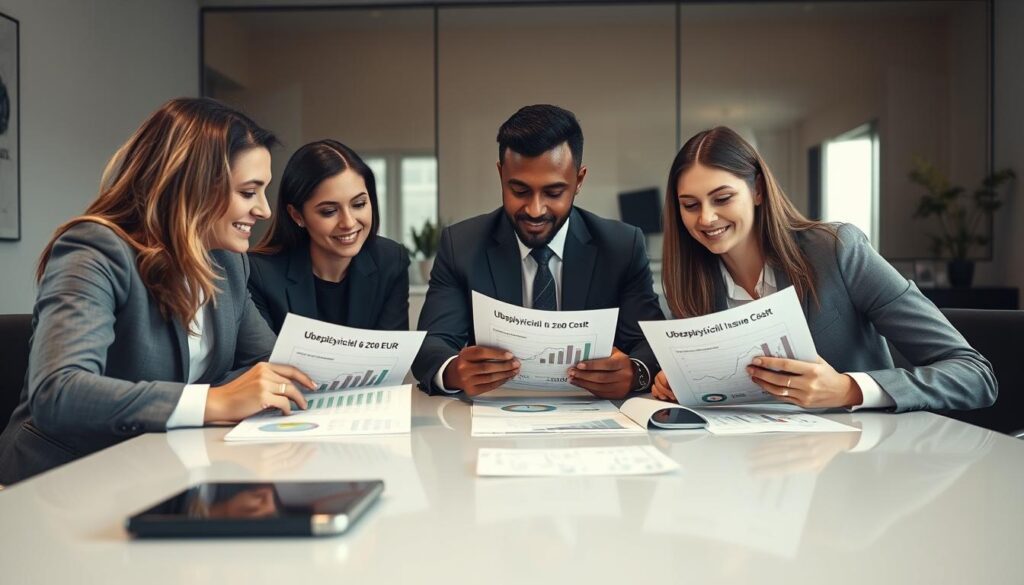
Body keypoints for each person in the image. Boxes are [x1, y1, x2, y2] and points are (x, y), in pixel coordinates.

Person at [0, 98, 316, 485]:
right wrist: (215, 401)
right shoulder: (94, 248)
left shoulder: (227, 261)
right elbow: (59, 392)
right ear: (194, 186)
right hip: (61, 483)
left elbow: (266, 363)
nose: (265, 211)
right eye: (249, 192)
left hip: (160, 472)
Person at [651, 126, 996, 411]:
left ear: (757, 190)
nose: (706, 218)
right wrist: (682, 382)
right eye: (690, 205)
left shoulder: (837, 251)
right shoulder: (690, 281)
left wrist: (849, 389)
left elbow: (974, 375)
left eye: (722, 199)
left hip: (864, 461)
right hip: (756, 460)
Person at [412, 104, 665, 398]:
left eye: (553, 193)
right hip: (493, 417)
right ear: (500, 174)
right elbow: (430, 346)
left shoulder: (622, 246)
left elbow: (652, 345)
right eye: (519, 191)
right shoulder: (462, 246)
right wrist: (455, 371)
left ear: (579, 181)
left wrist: (635, 373)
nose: (535, 210)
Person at [248, 140, 409, 332]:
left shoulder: (390, 261)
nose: (348, 222)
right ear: (297, 215)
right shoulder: (259, 273)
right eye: (329, 211)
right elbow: (261, 357)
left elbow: (391, 356)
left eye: (359, 204)